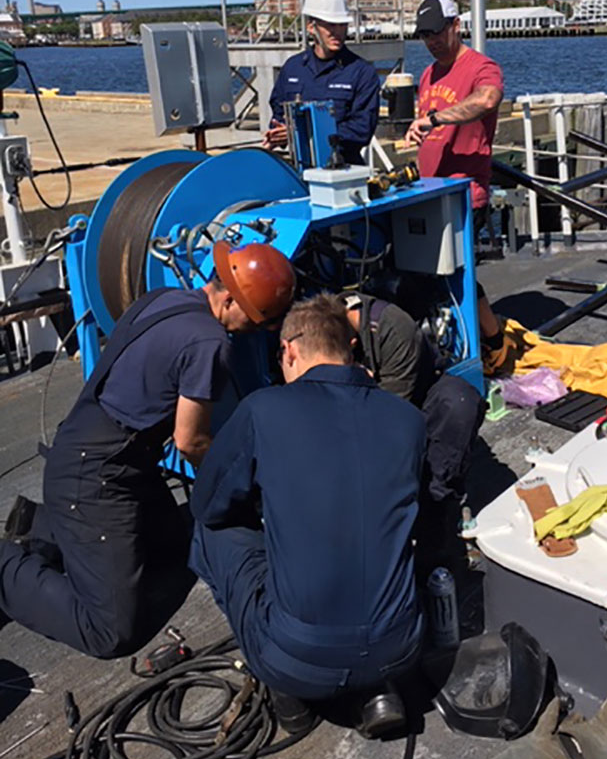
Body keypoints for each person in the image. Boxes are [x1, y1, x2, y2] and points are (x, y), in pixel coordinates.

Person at [0, 241, 296, 659]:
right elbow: (189, 440)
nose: (252, 331)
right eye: (253, 320)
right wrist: (244, 484)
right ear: (230, 299)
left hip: (100, 449)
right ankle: (7, 569)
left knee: (177, 549)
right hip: (96, 476)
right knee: (112, 630)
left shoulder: (163, 300)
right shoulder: (210, 344)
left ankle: (43, 525)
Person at [189, 294, 426, 718]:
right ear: (350, 350)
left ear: (290, 351)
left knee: (209, 532)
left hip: (296, 662)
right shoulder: (407, 420)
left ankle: (291, 696)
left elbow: (209, 505)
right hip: (401, 647)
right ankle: (377, 689)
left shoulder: (263, 409)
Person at [341, 291, 485, 575]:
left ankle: (437, 518)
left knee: (459, 403)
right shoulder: (309, 336)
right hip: (355, 424)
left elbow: (390, 419)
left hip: (406, 403)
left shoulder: (389, 326)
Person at [403, 0, 510, 369]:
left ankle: (493, 342)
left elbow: (487, 99)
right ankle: (452, 344)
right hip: (428, 191)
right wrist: (419, 133)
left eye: (436, 32)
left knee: (458, 275)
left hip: (466, 191)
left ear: (456, 26)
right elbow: (429, 121)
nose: (430, 41)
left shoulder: (481, 66)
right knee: (426, 272)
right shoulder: (428, 74)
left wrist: (434, 120)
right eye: (423, 35)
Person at [263, 0, 380, 164]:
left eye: (342, 25)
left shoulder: (362, 72)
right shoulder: (293, 68)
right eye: (330, 25)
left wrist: (303, 133)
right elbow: (278, 113)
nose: (337, 32)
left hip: (344, 173)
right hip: (300, 172)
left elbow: (361, 129)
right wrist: (278, 133)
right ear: (311, 27)